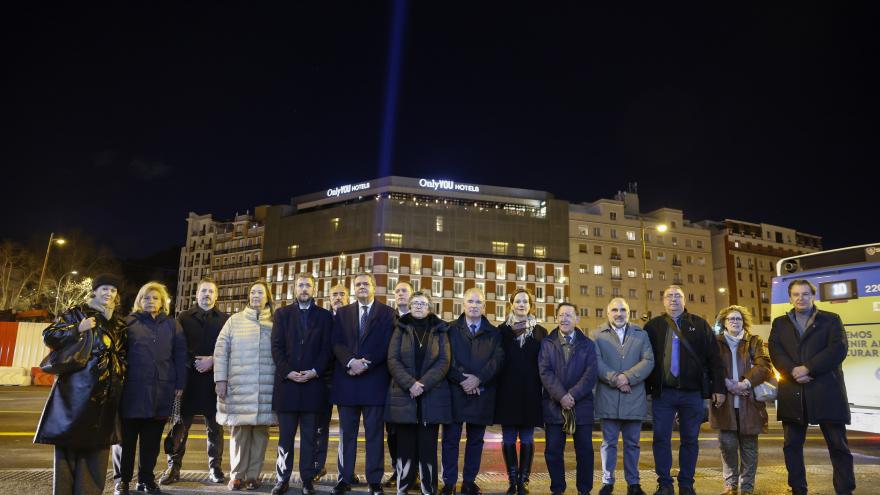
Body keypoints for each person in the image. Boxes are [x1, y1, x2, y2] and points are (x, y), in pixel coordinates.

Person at [35, 274, 126, 495]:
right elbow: (50, 336)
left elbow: (123, 354)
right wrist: (78, 328)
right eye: (104, 289)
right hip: (75, 393)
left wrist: (119, 372)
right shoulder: (76, 313)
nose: (108, 294)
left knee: (97, 449)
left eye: (113, 290)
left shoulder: (119, 322)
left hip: (105, 395)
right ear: (94, 291)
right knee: (68, 446)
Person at [768, 279, 855, 495]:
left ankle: (845, 490)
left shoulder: (831, 319)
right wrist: (793, 371)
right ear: (790, 298)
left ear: (812, 296)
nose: (800, 298)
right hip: (793, 392)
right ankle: (798, 489)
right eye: (796, 294)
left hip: (826, 392)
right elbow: (775, 351)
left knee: (838, 446)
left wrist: (808, 368)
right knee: (792, 446)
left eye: (805, 294)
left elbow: (838, 349)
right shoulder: (780, 323)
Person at [643, 285, 725, 495]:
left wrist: (718, 387)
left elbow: (714, 359)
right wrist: (644, 389)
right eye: (669, 296)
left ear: (684, 300)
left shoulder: (699, 324)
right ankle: (665, 483)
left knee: (690, 439)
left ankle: (687, 484)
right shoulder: (653, 326)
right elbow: (645, 358)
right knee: (661, 438)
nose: (673, 299)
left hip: (692, 393)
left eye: (677, 296)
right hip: (664, 393)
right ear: (663, 301)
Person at [112, 281, 187, 495]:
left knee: (151, 443)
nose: (150, 301)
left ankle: (146, 479)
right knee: (125, 442)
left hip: (161, 392)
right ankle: (122, 481)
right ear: (139, 300)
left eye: (155, 298)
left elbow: (180, 356)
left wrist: (180, 384)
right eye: (146, 297)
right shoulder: (128, 323)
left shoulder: (172, 325)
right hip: (132, 391)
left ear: (162, 302)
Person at [159, 278, 229, 485]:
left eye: (211, 291)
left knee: (215, 430)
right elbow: (177, 348)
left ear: (216, 296)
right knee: (180, 427)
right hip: (187, 381)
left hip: (213, 382)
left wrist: (212, 361)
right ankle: (173, 468)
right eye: (203, 291)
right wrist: (195, 362)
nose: (207, 294)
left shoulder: (225, 319)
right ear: (196, 294)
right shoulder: (183, 317)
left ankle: (215, 468)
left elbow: (228, 349)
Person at [331, 273, 395, 495]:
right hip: (347, 381)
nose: (361, 287)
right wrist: (350, 361)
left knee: (375, 435)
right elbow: (336, 342)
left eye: (365, 284)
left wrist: (365, 364)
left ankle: (374, 480)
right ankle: (344, 478)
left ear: (374, 287)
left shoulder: (387, 313)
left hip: (374, 381)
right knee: (346, 435)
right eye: (357, 284)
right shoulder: (342, 313)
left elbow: (387, 344)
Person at [270, 274, 333, 495]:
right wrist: (288, 372)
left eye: (308, 285)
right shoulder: (282, 314)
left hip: (312, 386)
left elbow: (327, 349)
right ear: (294, 289)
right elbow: (276, 348)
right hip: (287, 386)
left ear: (314, 289)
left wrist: (314, 371)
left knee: (309, 438)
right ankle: (282, 478)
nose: (304, 289)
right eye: (300, 285)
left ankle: (307, 479)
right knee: (285, 438)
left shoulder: (325, 317)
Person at [386, 291, 452, 495]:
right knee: (405, 448)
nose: (418, 306)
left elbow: (444, 361)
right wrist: (410, 384)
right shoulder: (401, 328)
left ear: (430, 307)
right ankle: (403, 488)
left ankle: (428, 489)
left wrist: (422, 384)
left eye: (423, 303)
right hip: (405, 395)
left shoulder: (440, 329)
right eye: (415, 303)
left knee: (428, 448)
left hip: (431, 395)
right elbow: (393, 359)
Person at [214, 280, 278, 491]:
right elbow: (221, 352)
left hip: (265, 388)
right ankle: (237, 475)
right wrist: (220, 380)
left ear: (268, 296)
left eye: (260, 293)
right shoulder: (234, 321)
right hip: (239, 387)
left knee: (260, 434)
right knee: (239, 433)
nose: (255, 296)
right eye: (252, 293)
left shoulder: (276, 322)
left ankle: (253, 476)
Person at [441, 288, 503, 495]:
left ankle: (469, 481)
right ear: (463, 305)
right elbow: (446, 360)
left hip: (481, 394)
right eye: (471, 301)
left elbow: (497, 361)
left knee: (475, 441)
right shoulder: (449, 330)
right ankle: (449, 482)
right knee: (450, 440)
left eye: (479, 302)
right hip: (455, 392)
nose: (474, 305)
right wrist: (463, 380)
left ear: (484, 307)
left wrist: (478, 380)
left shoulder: (494, 333)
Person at [591, 298, 653, 495]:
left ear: (628, 312)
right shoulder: (596, 335)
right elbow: (596, 362)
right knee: (608, 443)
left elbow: (649, 360)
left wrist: (627, 377)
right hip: (608, 398)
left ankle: (633, 484)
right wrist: (616, 379)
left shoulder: (641, 334)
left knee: (632, 444)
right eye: (615, 310)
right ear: (608, 313)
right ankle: (607, 482)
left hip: (633, 397)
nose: (619, 314)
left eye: (623, 310)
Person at [709, 305, 772, 495]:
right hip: (725, 403)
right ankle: (730, 486)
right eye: (730, 319)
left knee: (749, 449)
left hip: (749, 402)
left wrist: (745, 383)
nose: (734, 322)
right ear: (724, 323)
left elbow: (764, 365)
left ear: (743, 321)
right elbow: (710, 366)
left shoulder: (754, 341)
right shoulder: (716, 342)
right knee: (727, 446)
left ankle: (746, 488)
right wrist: (727, 384)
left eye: (738, 319)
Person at [538, 303, 597, 495]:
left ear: (577, 319)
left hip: (582, 406)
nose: (564, 319)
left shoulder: (588, 344)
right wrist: (562, 396)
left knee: (585, 452)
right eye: (561, 315)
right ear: (556, 318)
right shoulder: (547, 343)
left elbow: (590, 374)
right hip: (554, 405)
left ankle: (584, 490)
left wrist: (572, 396)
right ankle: (558, 489)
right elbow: (545, 372)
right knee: (553, 452)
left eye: (569, 315)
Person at [494, 289, 547, 495]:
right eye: (518, 301)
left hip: (530, 393)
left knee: (527, 439)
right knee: (508, 439)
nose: (522, 304)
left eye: (526, 301)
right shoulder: (502, 331)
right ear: (511, 304)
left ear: (531, 305)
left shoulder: (540, 332)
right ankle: (512, 481)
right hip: (507, 393)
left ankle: (524, 481)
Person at [314, 283, 350, 481]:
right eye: (334, 295)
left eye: (341, 294)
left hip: (347, 380)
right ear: (329, 298)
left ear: (348, 297)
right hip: (324, 380)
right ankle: (318, 466)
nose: (338, 298)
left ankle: (347, 471)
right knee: (321, 426)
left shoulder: (353, 318)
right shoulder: (323, 319)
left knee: (347, 428)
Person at [385, 281, 414, 488]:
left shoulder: (420, 318)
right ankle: (398, 470)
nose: (400, 293)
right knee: (392, 432)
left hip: (414, 385)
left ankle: (414, 472)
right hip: (391, 384)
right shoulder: (388, 319)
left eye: (404, 291)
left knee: (413, 432)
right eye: (397, 291)